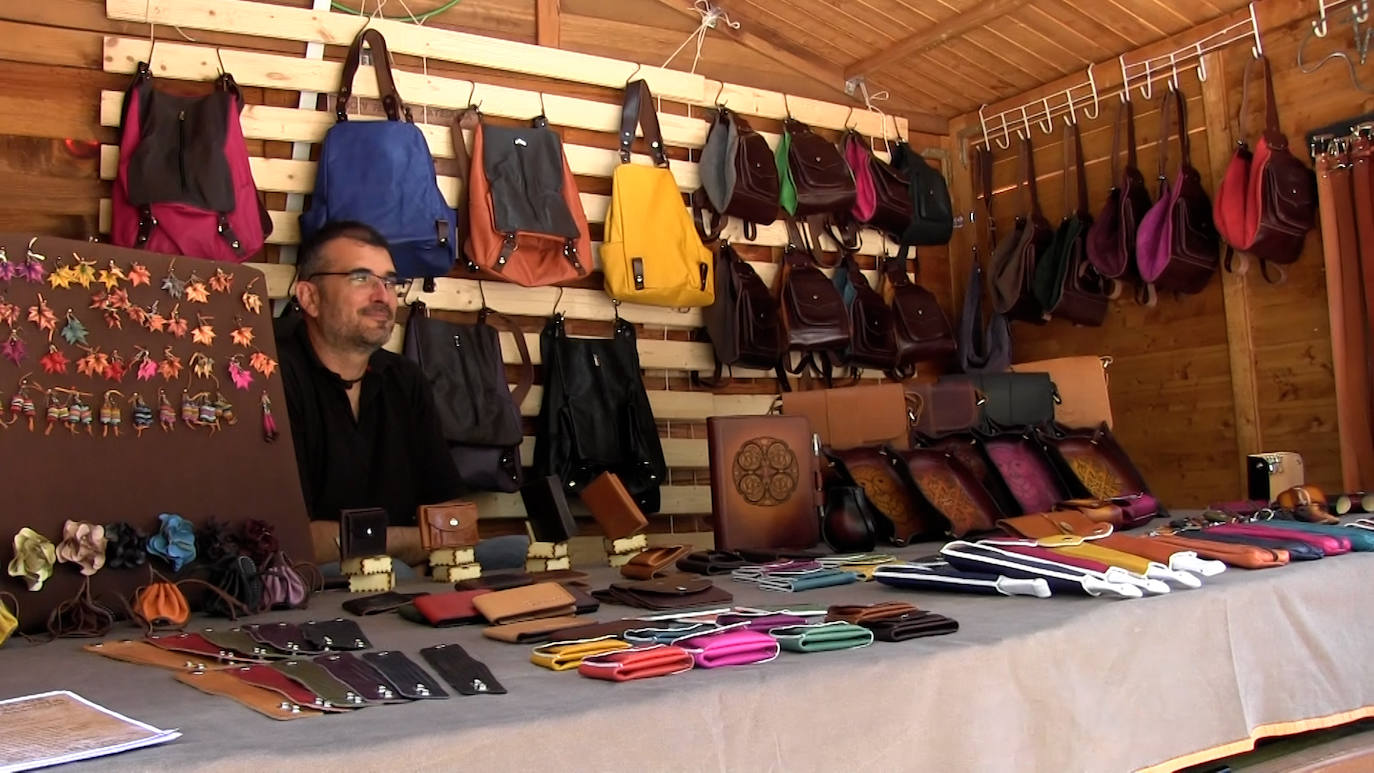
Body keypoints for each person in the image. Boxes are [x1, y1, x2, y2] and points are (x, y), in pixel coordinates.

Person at [277, 220, 462, 564]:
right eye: (361, 278)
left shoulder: (406, 379)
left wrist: (367, 541)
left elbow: (456, 520)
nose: (382, 296)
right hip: (304, 591)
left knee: (508, 555)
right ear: (310, 297)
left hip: (400, 587)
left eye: (390, 281)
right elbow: (291, 538)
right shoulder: (271, 374)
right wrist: (419, 539)